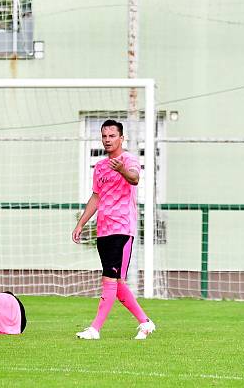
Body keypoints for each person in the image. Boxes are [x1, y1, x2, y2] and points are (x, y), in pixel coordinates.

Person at [72, 119, 155, 340]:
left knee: (109, 279)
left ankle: (95, 329)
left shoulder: (129, 160)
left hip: (122, 229)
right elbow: (96, 197)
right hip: (104, 229)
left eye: (112, 136)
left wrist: (123, 170)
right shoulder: (99, 166)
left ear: (121, 138)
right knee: (115, 283)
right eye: (104, 136)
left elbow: (135, 179)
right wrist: (81, 223)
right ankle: (145, 323)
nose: (108, 140)